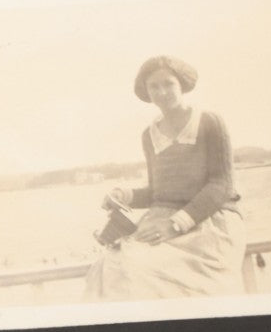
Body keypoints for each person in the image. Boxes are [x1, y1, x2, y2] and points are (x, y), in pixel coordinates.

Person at [86, 55, 245, 300]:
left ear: (181, 84)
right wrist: (124, 195)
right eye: (154, 86)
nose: (162, 92)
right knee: (108, 268)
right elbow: (159, 193)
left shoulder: (209, 122)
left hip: (207, 224)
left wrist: (174, 225)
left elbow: (221, 185)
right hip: (161, 222)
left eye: (168, 84)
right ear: (147, 92)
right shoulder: (149, 135)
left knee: (135, 270)